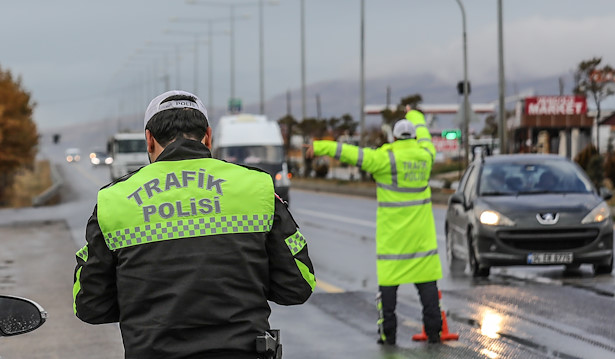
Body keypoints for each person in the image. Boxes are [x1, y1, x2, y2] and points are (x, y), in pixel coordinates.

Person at [73, 90, 316, 359]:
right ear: (208, 137)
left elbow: (89, 305)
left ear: (149, 140)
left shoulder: (114, 200)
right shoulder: (257, 188)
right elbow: (298, 285)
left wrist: (140, 301)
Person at [306, 118, 443, 345]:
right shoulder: (426, 156)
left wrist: (320, 146)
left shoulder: (383, 159)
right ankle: (435, 333)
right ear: (414, 137)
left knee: (388, 293)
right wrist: (416, 115)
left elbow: (350, 153)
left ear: (395, 138)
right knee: (428, 290)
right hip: (422, 241)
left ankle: (388, 335)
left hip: (393, 244)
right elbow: (426, 137)